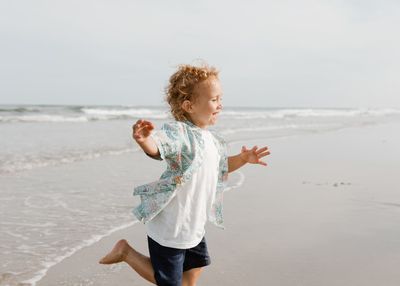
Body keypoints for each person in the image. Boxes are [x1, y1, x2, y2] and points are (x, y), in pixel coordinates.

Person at [99, 63, 270, 286]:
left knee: (189, 279)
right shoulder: (179, 133)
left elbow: (220, 167)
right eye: (214, 100)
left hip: (194, 225)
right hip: (172, 226)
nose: (220, 105)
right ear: (189, 105)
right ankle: (126, 253)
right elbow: (159, 147)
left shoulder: (213, 139)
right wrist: (145, 141)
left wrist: (243, 159)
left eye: (220, 99)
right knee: (170, 283)